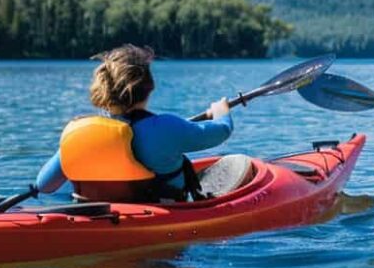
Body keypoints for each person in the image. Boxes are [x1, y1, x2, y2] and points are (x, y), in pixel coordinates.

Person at [36, 45, 234, 201]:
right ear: (150, 87)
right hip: (159, 217)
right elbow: (222, 132)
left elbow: (44, 186)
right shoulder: (166, 128)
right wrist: (221, 112)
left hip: (97, 215)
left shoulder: (81, 135)